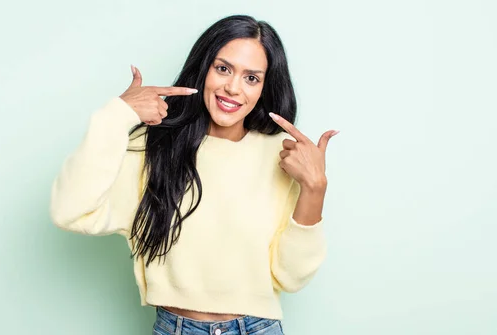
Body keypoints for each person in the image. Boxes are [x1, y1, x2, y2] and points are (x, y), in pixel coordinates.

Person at [49, 14, 338, 335]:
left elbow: (292, 276)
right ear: (203, 69)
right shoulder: (152, 146)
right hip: (175, 327)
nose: (233, 87)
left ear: (264, 88)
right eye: (223, 68)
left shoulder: (282, 156)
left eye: (251, 78)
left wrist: (315, 188)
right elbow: (69, 213)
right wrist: (117, 115)